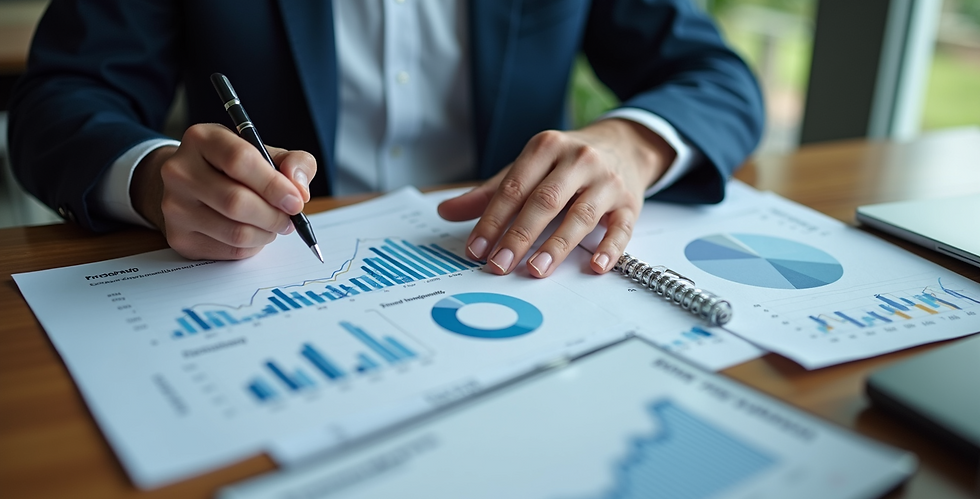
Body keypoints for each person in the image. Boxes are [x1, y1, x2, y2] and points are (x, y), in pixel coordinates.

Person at [9, 0, 763, 277]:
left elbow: (715, 75)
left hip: (511, 277)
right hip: (269, 279)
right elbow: (61, 97)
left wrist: (634, 145)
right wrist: (152, 177)